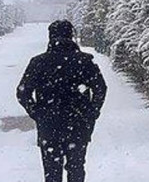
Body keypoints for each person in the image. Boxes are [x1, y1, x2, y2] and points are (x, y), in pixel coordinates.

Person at [17, 20, 107, 182]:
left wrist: (37, 113)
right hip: (78, 122)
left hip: (49, 125)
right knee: (76, 168)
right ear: (71, 35)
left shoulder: (38, 62)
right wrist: (92, 112)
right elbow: (100, 88)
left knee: (51, 171)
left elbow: (23, 92)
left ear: (50, 37)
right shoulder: (85, 61)